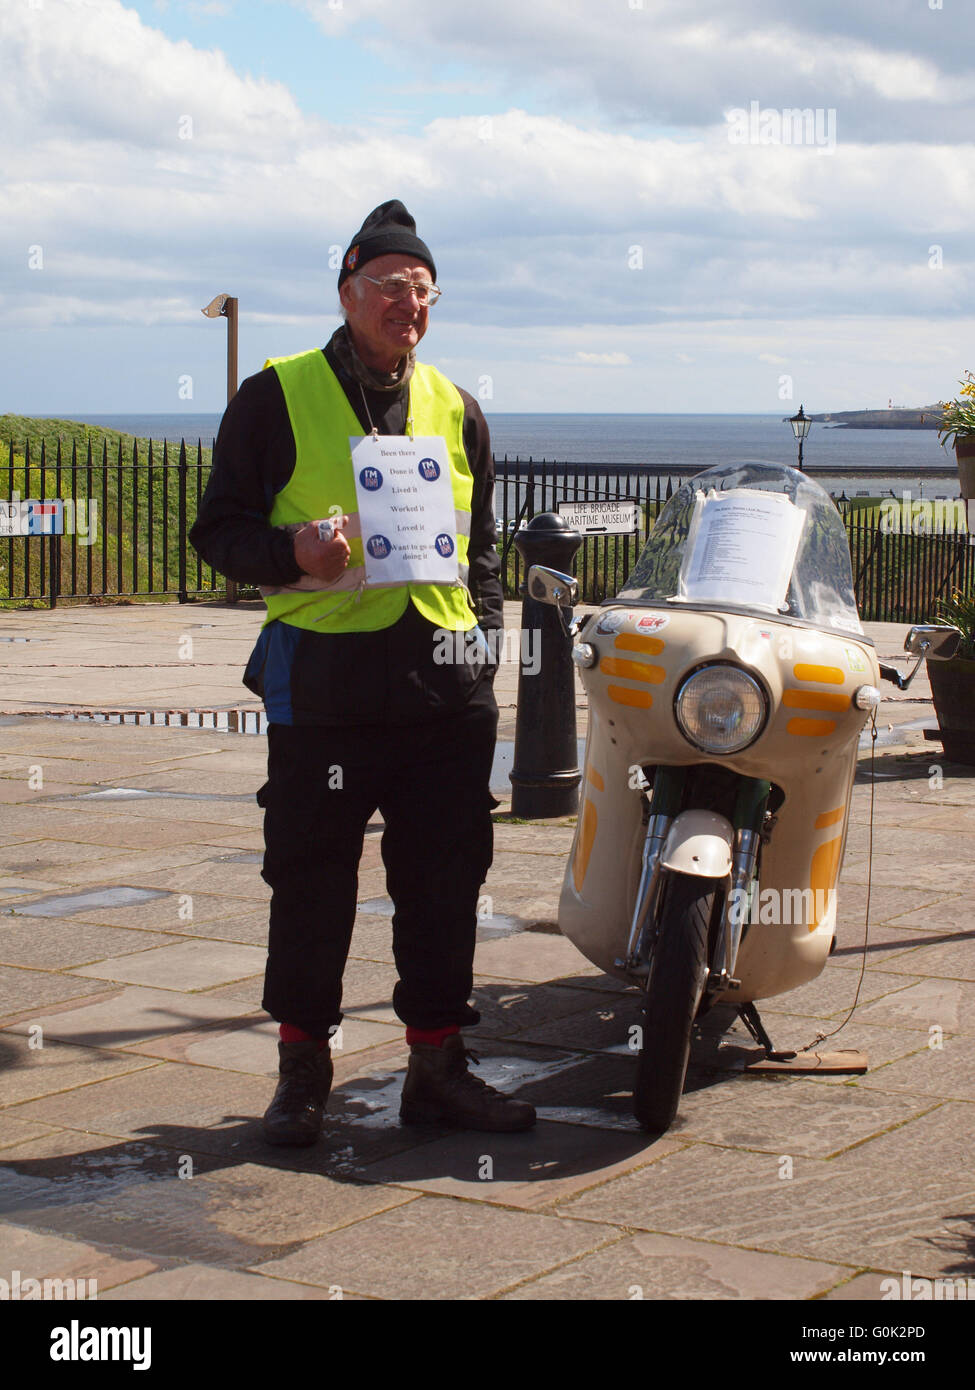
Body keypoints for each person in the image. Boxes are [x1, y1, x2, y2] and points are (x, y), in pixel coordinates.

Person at [190, 200, 535, 1145]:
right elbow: (215, 531)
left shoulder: (457, 407)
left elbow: (483, 549)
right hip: (327, 686)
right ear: (346, 293)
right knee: (309, 879)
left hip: (442, 688)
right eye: (389, 287)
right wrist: (293, 553)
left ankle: (436, 1069)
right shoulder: (275, 394)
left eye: (422, 292)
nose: (407, 305)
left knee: (444, 879)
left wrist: (485, 643)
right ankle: (301, 1075)